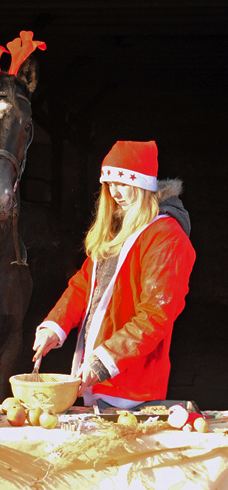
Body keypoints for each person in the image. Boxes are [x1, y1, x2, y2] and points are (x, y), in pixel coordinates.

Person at [32, 140, 196, 409]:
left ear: (142, 185)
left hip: (131, 386)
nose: (114, 193)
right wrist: (54, 326)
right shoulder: (122, 228)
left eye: (122, 184)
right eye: (108, 184)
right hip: (97, 380)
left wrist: (104, 360)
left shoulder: (166, 236)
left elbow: (157, 314)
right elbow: (85, 285)